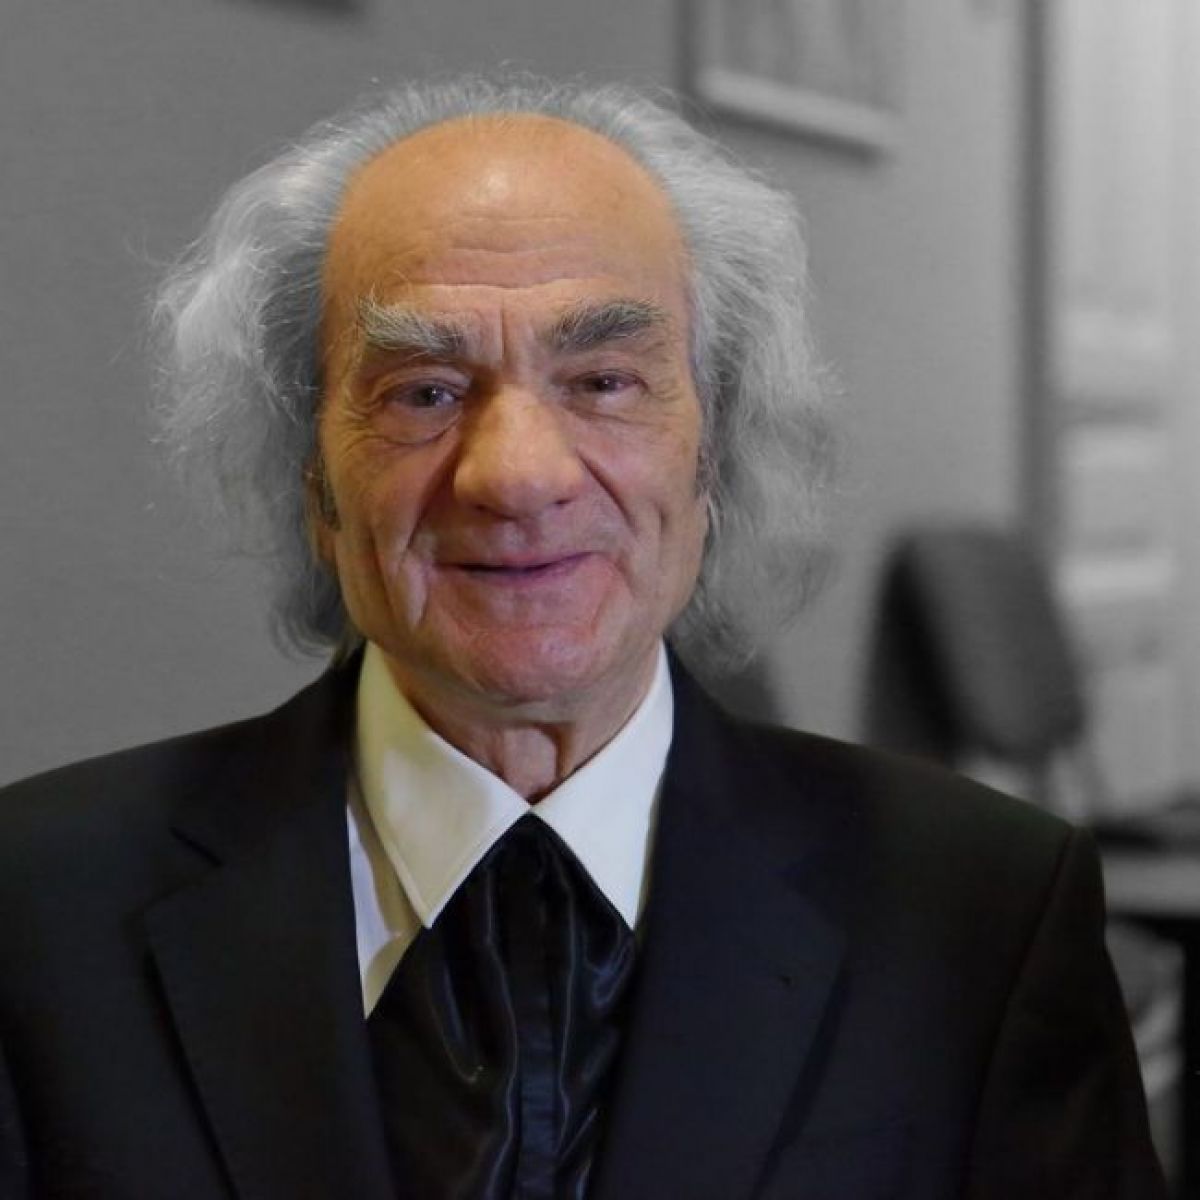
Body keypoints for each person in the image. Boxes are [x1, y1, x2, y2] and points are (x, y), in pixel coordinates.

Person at [0, 75, 1165, 1199]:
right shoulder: (35, 911)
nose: (517, 474)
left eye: (604, 381)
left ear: (715, 456)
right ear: (315, 483)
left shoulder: (983, 916)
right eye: (423, 391)